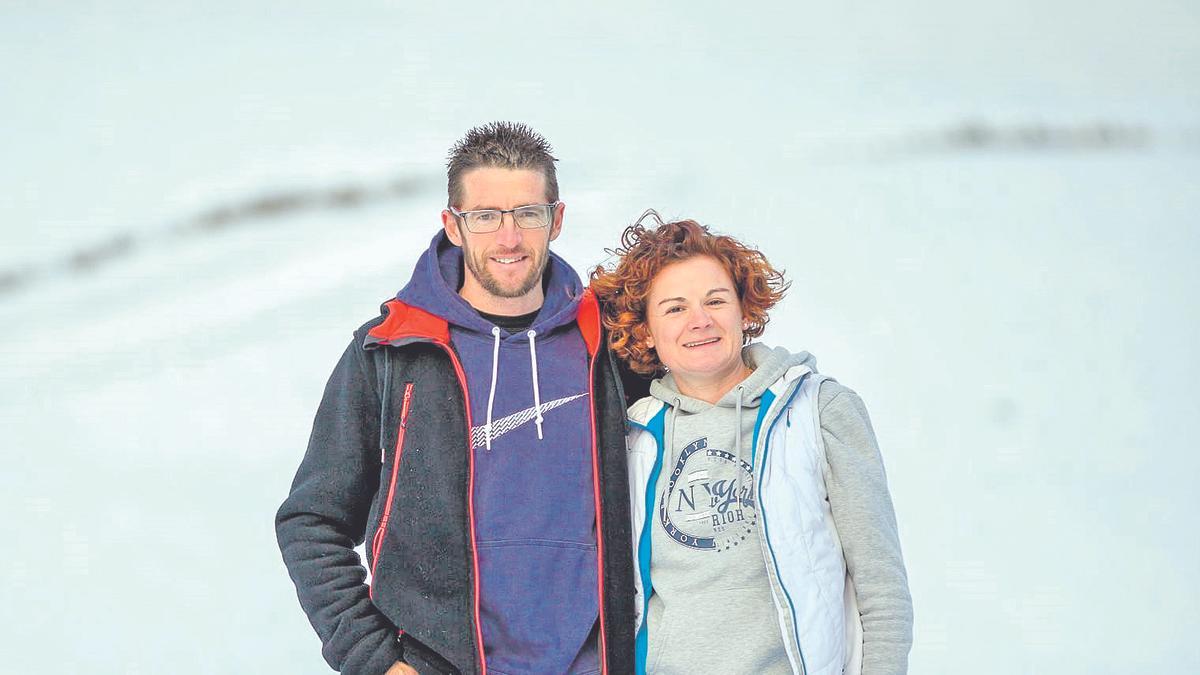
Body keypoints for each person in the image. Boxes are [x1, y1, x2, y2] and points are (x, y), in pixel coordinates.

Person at [276, 122, 636, 675]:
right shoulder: (394, 349)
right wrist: (375, 661)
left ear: (556, 219)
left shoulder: (609, 346)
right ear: (454, 225)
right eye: (486, 216)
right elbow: (312, 520)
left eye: (528, 214)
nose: (509, 238)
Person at [589, 213, 913, 675]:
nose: (699, 321)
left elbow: (881, 589)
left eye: (715, 300)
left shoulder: (818, 410)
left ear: (745, 310)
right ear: (645, 330)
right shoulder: (632, 435)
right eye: (675, 308)